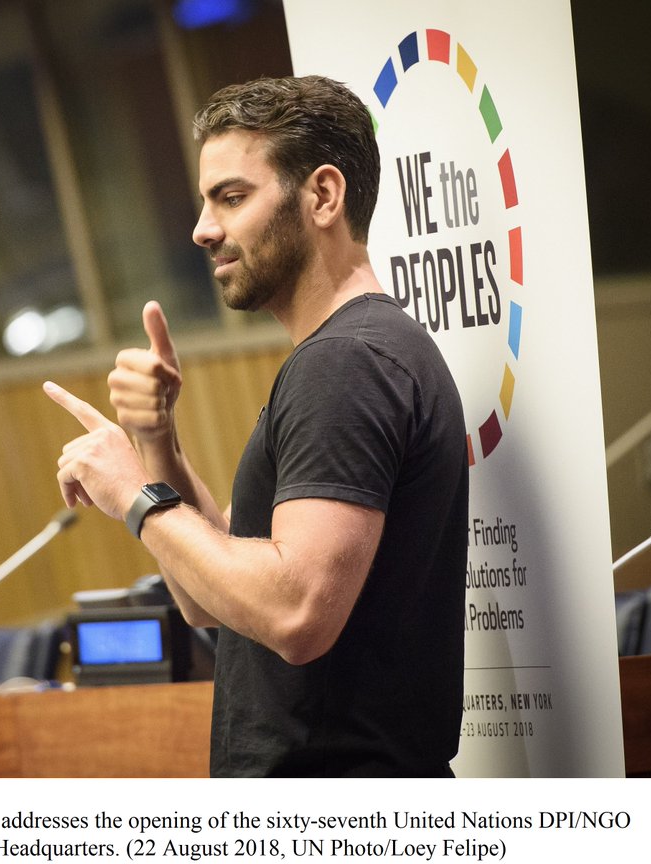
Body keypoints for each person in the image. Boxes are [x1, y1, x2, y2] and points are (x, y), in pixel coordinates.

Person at [44, 75, 468, 776]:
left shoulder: (346, 363)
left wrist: (129, 494)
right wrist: (157, 443)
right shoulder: (355, 353)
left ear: (323, 196)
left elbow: (295, 612)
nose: (202, 229)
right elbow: (211, 600)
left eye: (232, 197)